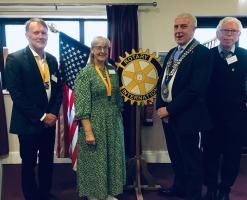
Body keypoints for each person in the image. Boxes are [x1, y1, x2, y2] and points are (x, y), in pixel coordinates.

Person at [4, 18, 62, 200]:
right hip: (28, 123)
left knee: (47, 161)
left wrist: (52, 114)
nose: (41, 36)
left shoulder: (52, 59)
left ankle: (45, 193)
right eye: (36, 32)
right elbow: (17, 94)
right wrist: (42, 116)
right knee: (29, 163)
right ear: (27, 35)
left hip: (49, 123)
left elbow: (58, 89)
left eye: (43, 33)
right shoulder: (15, 59)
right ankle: (30, 196)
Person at [156, 13, 212, 200]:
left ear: (193, 29)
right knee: (176, 156)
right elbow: (163, 82)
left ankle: (194, 194)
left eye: (183, 27)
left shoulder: (203, 54)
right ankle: (179, 188)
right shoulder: (173, 52)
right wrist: (160, 107)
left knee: (191, 158)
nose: (178, 31)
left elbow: (195, 90)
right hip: (168, 116)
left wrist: (169, 109)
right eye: (176, 27)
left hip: (188, 116)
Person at [74, 36, 126, 200]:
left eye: (105, 47)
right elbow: (81, 105)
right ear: (92, 50)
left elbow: (117, 97)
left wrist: (119, 118)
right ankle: (96, 194)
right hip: (94, 122)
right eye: (98, 47)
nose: (102, 51)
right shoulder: (85, 73)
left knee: (112, 157)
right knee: (96, 159)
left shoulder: (111, 70)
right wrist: (88, 132)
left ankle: (110, 191)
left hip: (113, 122)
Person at [203, 17, 247, 200]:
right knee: (209, 155)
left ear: (238, 35)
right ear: (218, 34)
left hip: (236, 117)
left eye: (233, 31)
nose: (229, 35)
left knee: (232, 156)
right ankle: (211, 189)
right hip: (210, 116)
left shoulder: (245, 56)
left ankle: (224, 190)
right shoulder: (207, 56)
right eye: (225, 31)